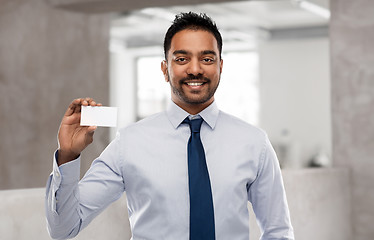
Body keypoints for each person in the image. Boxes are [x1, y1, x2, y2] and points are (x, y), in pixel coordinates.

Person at [45, 12, 294, 240]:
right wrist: (68, 155)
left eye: (207, 58)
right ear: (165, 70)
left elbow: (278, 231)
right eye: (182, 59)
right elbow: (63, 229)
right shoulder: (130, 143)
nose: (195, 69)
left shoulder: (254, 143)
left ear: (220, 66)